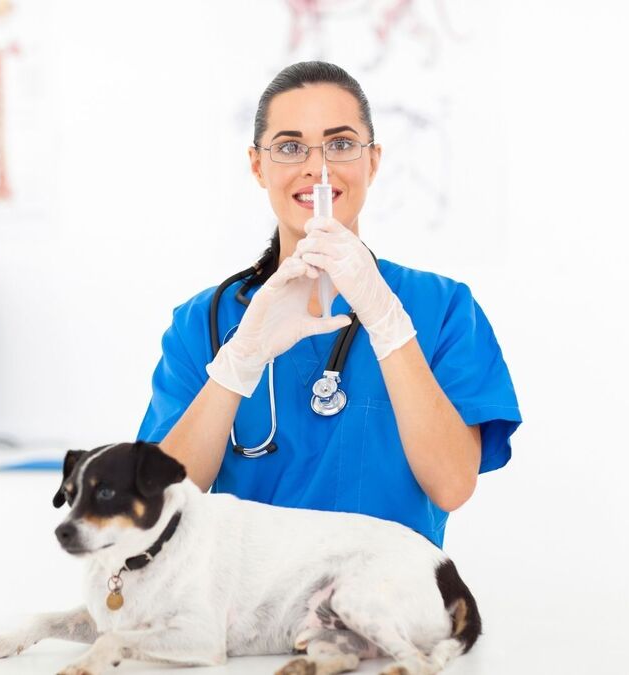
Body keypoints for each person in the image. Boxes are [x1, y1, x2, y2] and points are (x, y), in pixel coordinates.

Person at [136, 61, 521, 548]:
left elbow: (451, 485)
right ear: (258, 165)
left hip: (388, 609)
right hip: (254, 614)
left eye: (340, 145)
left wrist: (389, 324)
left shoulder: (442, 308)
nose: (317, 169)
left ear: (373, 161)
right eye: (290, 147)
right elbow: (155, 508)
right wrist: (237, 364)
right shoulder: (204, 323)